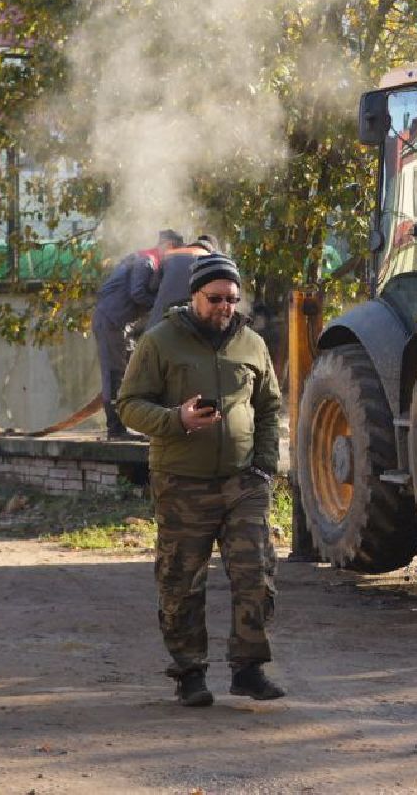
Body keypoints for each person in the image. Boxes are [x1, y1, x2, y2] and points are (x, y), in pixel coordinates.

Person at [118, 251, 285, 707]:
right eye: (215, 298)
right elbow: (129, 404)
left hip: (243, 482)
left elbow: (269, 406)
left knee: (255, 574)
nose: (225, 307)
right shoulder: (160, 342)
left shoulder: (251, 343)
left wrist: (265, 464)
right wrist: (176, 419)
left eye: (232, 299)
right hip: (182, 482)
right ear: (194, 295)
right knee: (181, 580)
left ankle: (248, 669)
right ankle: (189, 673)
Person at [92, 229, 180, 437]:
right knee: (115, 373)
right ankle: (115, 429)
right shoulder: (147, 261)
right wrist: (161, 304)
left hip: (118, 321)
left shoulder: (142, 258)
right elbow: (138, 293)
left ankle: (125, 424)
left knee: (129, 371)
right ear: (168, 246)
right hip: (112, 320)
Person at [144, 234, 218, 329]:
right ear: (212, 249)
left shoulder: (170, 255)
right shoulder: (211, 262)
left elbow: (152, 286)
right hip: (183, 326)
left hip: (156, 322)